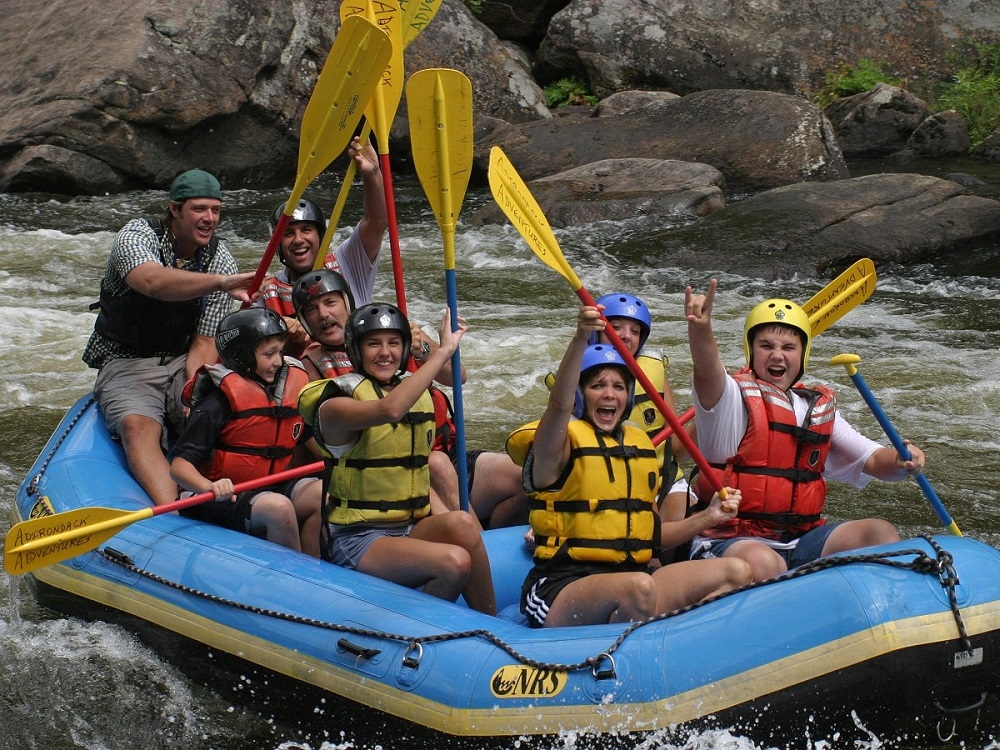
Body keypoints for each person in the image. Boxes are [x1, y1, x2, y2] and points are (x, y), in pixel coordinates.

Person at [518, 305, 751, 628]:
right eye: (598, 385)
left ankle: (674, 652)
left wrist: (710, 516)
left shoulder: (638, 448)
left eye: (618, 387)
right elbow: (558, 405)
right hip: (562, 587)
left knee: (736, 571)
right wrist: (580, 336)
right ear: (581, 395)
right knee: (639, 588)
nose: (609, 395)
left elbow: (652, 536)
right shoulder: (555, 447)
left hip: (632, 580)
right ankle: (615, 663)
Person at [684, 281, 920, 581]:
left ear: (802, 354)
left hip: (800, 540)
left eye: (788, 347)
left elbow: (874, 461)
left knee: (880, 533)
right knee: (767, 564)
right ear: (751, 351)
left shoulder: (814, 408)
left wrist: (904, 460)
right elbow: (706, 368)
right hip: (729, 540)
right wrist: (701, 328)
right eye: (766, 346)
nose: (777, 355)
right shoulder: (727, 397)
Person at [296, 302, 497, 614]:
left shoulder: (409, 388)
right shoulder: (335, 402)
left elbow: (456, 378)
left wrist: (438, 347)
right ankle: (417, 633)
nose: (385, 353)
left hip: (408, 526)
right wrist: (443, 351)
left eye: (394, 343)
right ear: (355, 349)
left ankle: (493, 624)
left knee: (463, 523)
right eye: (373, 344)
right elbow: (389, 410)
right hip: (358, 539)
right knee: (454, 562)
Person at [292, 269, 526, 528]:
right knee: (435, 464)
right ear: (304, 321)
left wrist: (421, 349)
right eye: (312, 310)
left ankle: (493, 543)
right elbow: (325, 434)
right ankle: (477, 543)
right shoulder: (310, 364)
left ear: (347, 302)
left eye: (330, 302)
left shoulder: (395, 331)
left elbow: (457, 376)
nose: (323, 314)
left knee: (521, 477)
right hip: (387, 473)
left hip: (444, 453)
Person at [83, 169, 256, 507]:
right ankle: (173, 511)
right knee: (137, 426)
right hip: (126, 362)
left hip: (181, 360)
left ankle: (237, 499)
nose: (209, 219)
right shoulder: (136, 236)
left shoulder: (219, 257)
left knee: (215, 409)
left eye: (216, 210)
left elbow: (205, 343)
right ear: (174, 209)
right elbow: (152, 282)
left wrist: (195, 393)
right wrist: (219, 282)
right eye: (199, 209)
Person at [170, 309, 322, 556]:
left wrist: (341, 455)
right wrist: (210, 486)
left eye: (280, 352)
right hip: (217, 498)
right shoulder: (217, 404)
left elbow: (307, 438)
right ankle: (292, 578)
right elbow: (178, 467)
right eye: (269, 354)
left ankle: (317, 567)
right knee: (279, 508)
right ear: (241, 357)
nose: (278, 361)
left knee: (320, 493)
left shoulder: (283, 395)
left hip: (267, 488)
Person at [257, 135, 386, 357]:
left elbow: (376, 222)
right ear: (277, 246)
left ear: (320, 236)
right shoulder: (265, 293)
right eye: (288, 233)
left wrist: (372, 174)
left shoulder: (348, 262)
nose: (298, 240)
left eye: (306, 230)